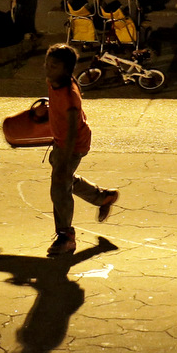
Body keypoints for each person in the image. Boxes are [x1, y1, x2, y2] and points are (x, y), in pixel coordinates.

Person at [43, 43, 120, 257]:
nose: (48, 68)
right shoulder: (54, 81)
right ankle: (102, 197)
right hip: (62, 141)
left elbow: (71, 133)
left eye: (54, 65)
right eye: (47, 64)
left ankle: (65, 236)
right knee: (63, 178)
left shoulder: (69, 96)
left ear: (66, 70)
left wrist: (65, 160)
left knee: (59, 187)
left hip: (73, 144)